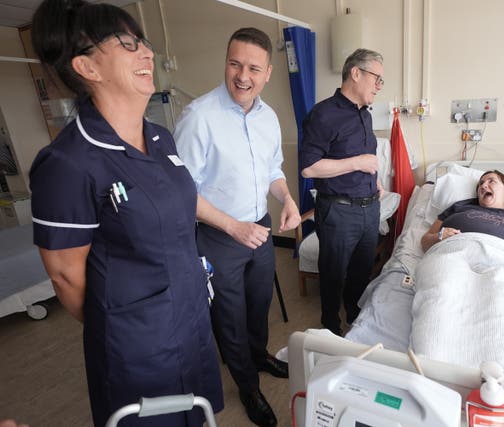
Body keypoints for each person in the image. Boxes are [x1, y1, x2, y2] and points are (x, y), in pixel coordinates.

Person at [29, 1, 224, 425]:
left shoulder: (161, 138)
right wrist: (125, 321)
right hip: (138, 347)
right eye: (128, 44)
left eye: (144, 43)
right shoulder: (68, 163)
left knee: (199, 415)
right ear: (87, 67)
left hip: (191, 319)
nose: (147, 54)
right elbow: (65, 275)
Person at [174, 27, 300, 427]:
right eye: (234, 64)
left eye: (252, 68)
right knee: (229, 316)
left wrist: (289, 198)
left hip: (259, 230)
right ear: (225, 63)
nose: (242, 76)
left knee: (258, 304)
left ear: (267, 74)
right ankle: (248, 386)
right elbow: (181, 192)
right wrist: (233, 227)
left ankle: (259, 357)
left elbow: (272, 169)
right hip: (217, 237)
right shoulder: (199, 117)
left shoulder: (268, 117)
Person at [300, 49, 385, 336]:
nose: (378, 86)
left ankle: (353, 314)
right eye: (376, 78)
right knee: (333, 273)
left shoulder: (366, 117)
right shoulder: (323, 114)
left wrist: (375, 181)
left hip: (369, 207)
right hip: (338, 210)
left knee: (362, 269)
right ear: (356, 73)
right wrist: (357, 163)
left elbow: (367, 159)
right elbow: (309, 168)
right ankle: (330, 326)